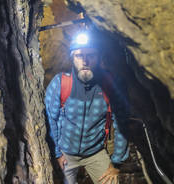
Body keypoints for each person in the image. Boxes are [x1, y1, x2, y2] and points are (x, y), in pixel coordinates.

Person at [45, 31, 130, 184]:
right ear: (72, 58)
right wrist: (56, 153)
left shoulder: (110, 86)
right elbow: (50, 120)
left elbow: (122, 123)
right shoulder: (60, 83)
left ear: (98, 58)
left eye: (91, 55)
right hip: (66, 153)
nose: (85, 61)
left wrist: (116, 163)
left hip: (95, 153)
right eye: (79, 56)